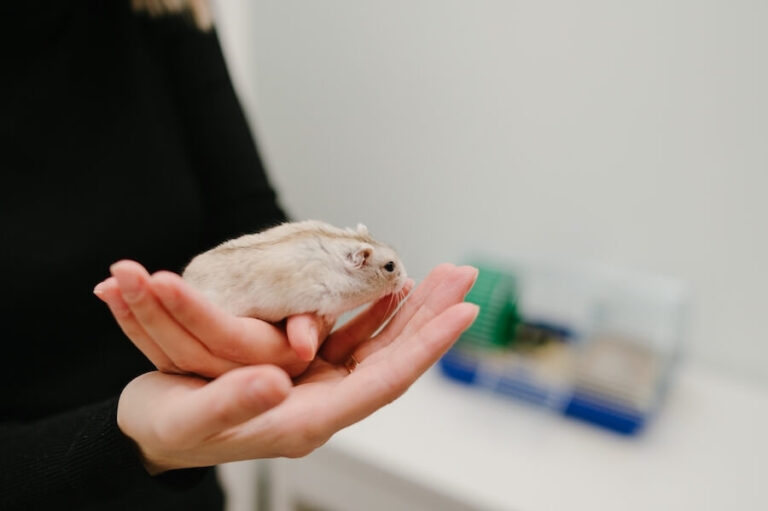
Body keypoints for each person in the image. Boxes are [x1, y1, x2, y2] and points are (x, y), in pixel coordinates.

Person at [0, 2, 478, 510]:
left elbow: (249, 216)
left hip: (184, 491)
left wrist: (297, 329)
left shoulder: (165, 8)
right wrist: (124, 439)